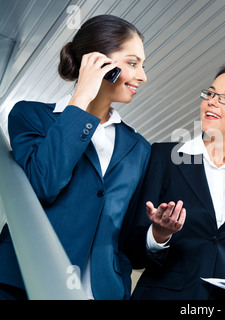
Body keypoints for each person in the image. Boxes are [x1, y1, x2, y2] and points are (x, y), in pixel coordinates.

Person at [0, 15, 150, 300]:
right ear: (98, 61)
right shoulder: (32, 115)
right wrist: (81, 98)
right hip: (26, 282)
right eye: (132, 63)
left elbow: (127, 230)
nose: (142, 76)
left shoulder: (138, 147)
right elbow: (43, 184)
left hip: (101, 292)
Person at [123, 65, 225, 300]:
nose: (212, 101)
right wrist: (158, 234)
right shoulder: (163, 157)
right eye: (210, 94)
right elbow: (131, 248)